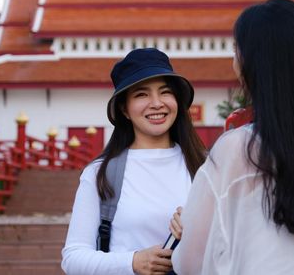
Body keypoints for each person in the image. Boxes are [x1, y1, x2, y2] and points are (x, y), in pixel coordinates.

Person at [169, 0, 294, 274]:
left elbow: (189, 263)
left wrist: (186, 231)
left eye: (235, 50)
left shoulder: (235, 150)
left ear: (250, 64)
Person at [62, 48, 206, 275]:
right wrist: (132, 262)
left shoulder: (205, 168)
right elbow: (73, 258)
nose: (157, 103)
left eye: (165, 92)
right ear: (124, 109)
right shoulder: (101, 174)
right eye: (141, 95)